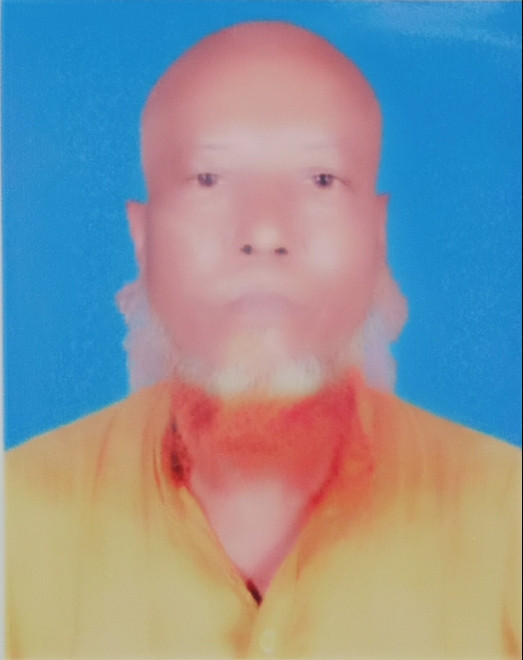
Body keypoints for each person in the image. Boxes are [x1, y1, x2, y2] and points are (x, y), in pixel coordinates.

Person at [5, 20, 521, 660]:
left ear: (377, 235)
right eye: (209, 179)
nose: (265, 232)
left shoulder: (508, 518)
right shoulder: (15, 522)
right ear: (143, 240)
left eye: (321, 179)